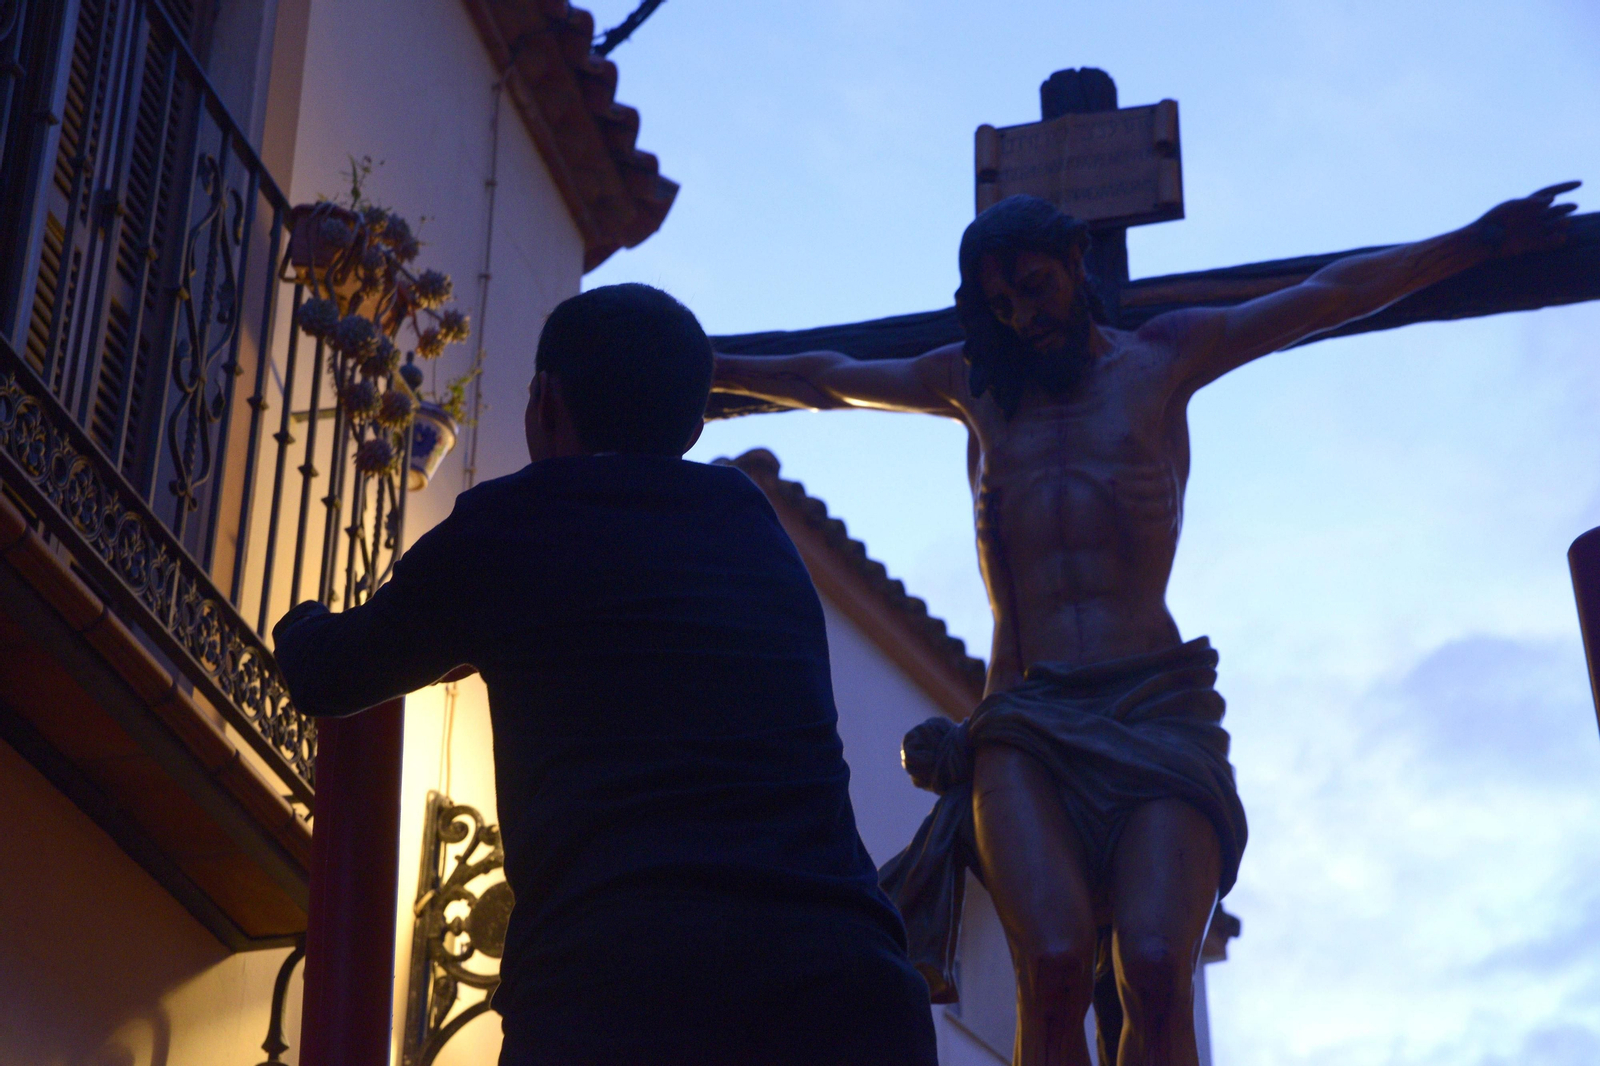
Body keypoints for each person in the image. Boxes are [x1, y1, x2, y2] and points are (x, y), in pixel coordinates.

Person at [713, 183, 1581, 1066]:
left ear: (1076, 267)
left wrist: (1473, 243)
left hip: (1155, 708)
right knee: (1051, 966)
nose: (1022, 317)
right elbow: (819, 376)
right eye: (1000, 303)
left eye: (1036, 287)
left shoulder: (1166, 356)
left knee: (1159, 968)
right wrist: (699, 367)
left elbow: (1327, 294)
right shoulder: (972, 390)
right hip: (1024, 719)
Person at [273, 283, 939, 1066]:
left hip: (622, 982)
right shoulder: (745, 520)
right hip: (848, 984)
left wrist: (301, 620)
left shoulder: (513, 523)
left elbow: (331, 673)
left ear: (544, 400)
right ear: (694, 424)